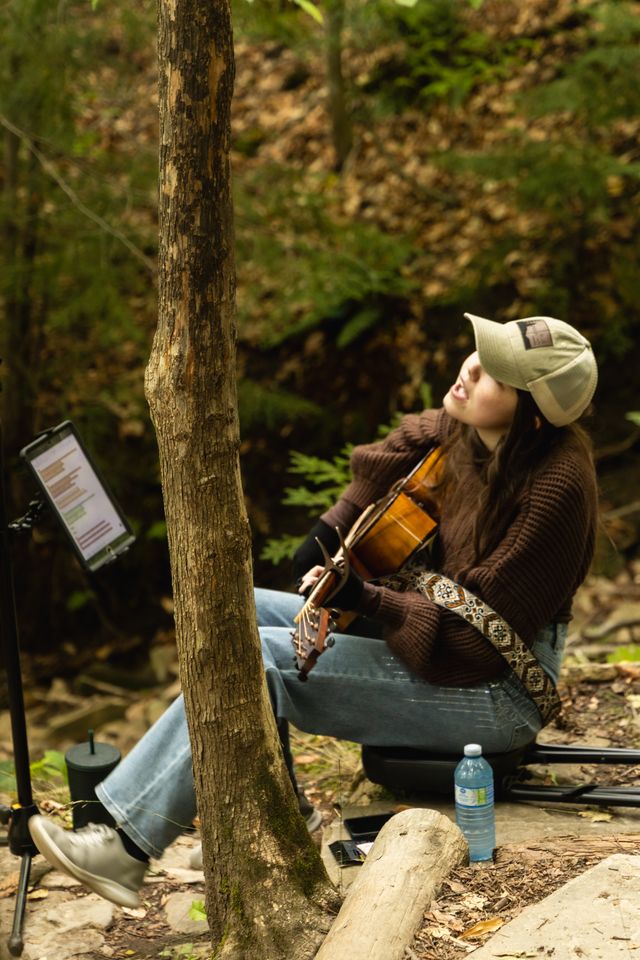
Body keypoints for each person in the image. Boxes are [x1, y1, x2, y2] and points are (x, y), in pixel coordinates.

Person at [28, 312, 599, 908]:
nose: (470, 369)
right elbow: (394, 452)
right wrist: (335, 526)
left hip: (496, 691)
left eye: (496, 377)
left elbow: (477, 642)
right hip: (447, 645)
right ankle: (281, 815)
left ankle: (123, 847)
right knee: (235, 611)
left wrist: (365, 598)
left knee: (267, 661)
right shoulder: (468, 430)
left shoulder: (553, 488)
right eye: (480, 353)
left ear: (531, 413)